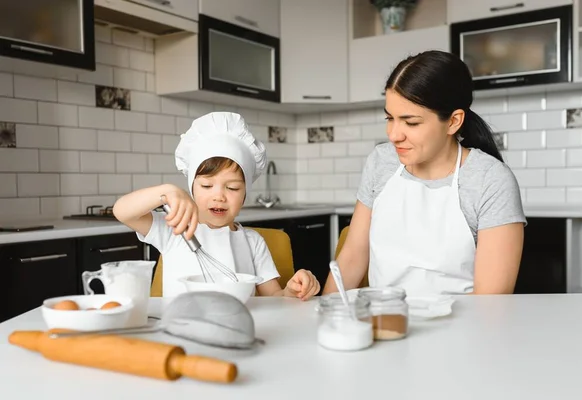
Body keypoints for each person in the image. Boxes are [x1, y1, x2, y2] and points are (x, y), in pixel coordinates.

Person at [323, 50, 526, 296]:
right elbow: (353, 256)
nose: (394, 134)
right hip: (387, 323)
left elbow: (490, 302)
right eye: (390, 118)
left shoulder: (490, 180)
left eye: (411, 123)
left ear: (453, 121)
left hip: (462, 330)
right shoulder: (381, 161)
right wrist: (327, 315)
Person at [113, 112, 320, 300]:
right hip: (184, 329)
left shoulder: (253, 242)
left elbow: (274, 297)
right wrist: (166, 191)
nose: (219, 196)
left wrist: (291, 292)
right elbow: (122, 211)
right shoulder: (174, 229)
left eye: (232, 187)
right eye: (207, 185)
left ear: (245, 195)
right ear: (191, 188)